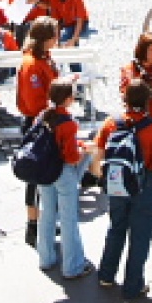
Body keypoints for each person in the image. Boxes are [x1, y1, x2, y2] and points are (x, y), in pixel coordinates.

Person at [96, 80, 152, 301]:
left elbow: (99, 155)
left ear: (124, 99)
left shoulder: (111, 123)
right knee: (140, 235)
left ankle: (106, 274)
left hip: (117, 183)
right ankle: (133, 284)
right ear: (147, 101)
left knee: (116, 227)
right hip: (143, 185)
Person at [35, 80, 94, 280]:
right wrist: (83, 150)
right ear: (68, 99)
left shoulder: (42, 116)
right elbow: (71, 157)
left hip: (44, 171)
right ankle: (72, 266)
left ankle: (46, 257)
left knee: (48, 214)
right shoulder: (68, 123)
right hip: (63, 173)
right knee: (68, 219)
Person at [17, 17, 62, 244]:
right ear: (47, 38)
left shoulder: (45, 58)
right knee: (34, 177)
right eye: (55, 34)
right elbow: (35, 102)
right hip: (39, 124)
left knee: (48, 175)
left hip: (50, 121)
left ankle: (45, 222)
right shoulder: (32, 64)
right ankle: (32, 226)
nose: (58, 38)